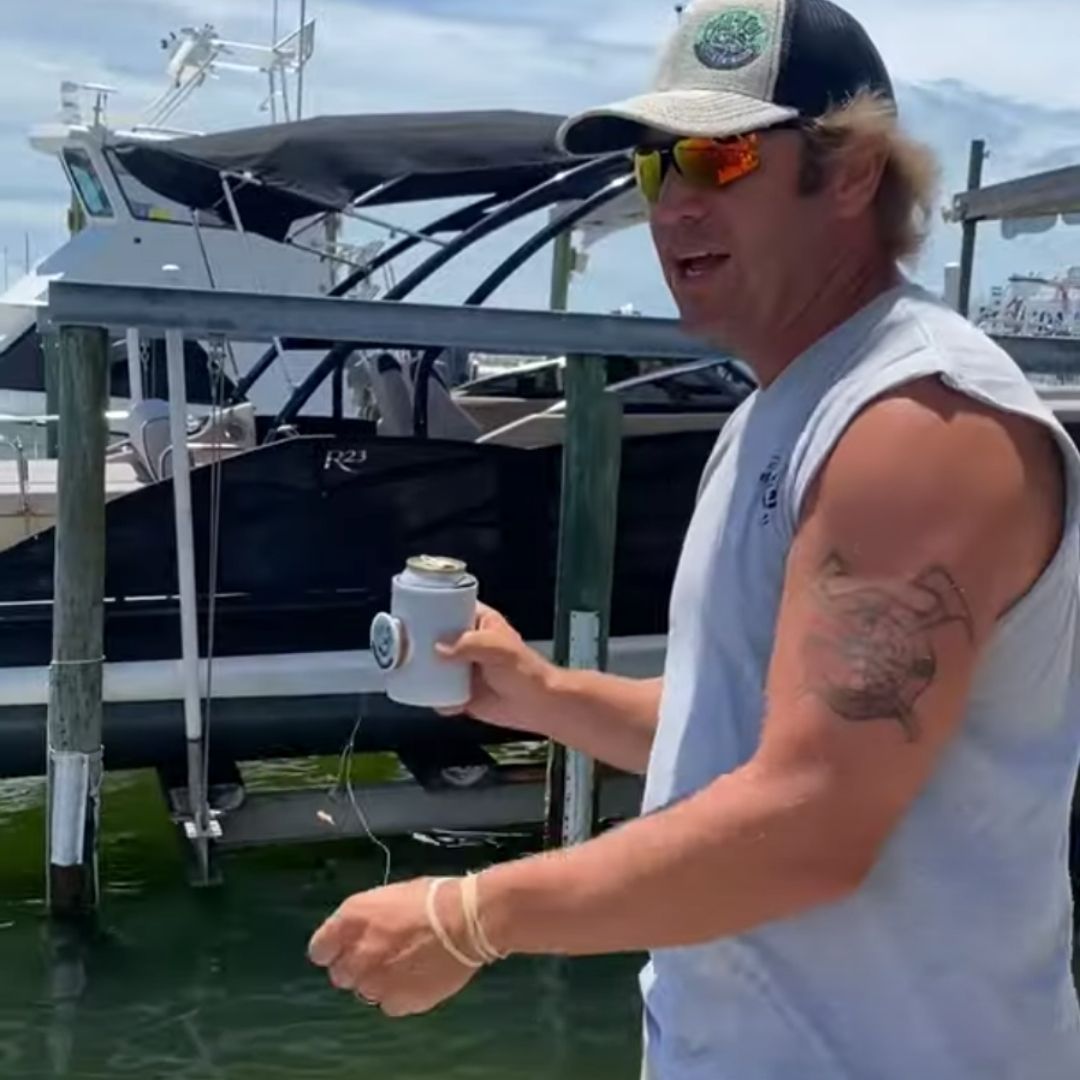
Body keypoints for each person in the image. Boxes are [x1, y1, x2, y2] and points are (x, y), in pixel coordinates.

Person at [309, 0, 1080, 1075]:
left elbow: (812, 819)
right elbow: (768, 730)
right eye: (652, 171)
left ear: (852, 173)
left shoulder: (919, 426)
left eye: (715, 159)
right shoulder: (784, 406)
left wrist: (473, 914)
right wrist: (539, 694)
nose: (673, 207)